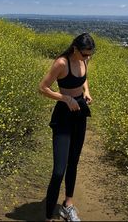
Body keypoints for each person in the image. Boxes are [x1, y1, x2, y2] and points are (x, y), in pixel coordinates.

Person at [38, 32, 96, 222]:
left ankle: (67, 205)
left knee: (74, 162)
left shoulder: (84, 60)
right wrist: (65, 98)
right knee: (58, 170)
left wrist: (86, 91)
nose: (88, 57)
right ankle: (48, 216)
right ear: (75, 49)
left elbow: (84, 78)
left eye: (90, 54)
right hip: (63, 115)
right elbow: (43, 87)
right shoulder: (62, 63)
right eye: (85, 54)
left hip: (80, 112)